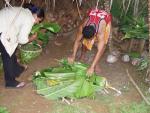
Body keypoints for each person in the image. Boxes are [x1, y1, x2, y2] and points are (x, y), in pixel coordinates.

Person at [0, 3, 44, 88]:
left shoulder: (24, 11)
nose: (37, 23)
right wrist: (32, 38)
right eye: (38, 21)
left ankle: (17, 69)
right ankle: (10, 82)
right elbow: (22, 40)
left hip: (3, 27)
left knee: (11, 49)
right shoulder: (29, 19)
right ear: (37, 17)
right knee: (7, 55)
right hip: (2, 31)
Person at [68, 8, 112, 76]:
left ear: (95, 34)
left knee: (102, 46)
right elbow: (77, 41)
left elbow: (99, 50)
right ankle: (82, 56)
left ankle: (96, 63)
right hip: (93, 14)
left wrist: (92, 67)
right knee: (85, 41)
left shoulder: (100, 31)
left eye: (90, 38)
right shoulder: (83, 26)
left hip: (105, 19)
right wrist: (73, 56)